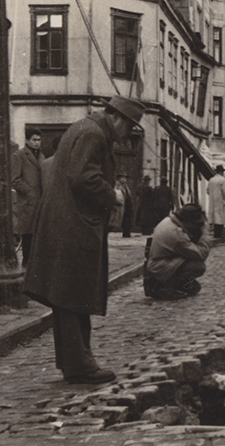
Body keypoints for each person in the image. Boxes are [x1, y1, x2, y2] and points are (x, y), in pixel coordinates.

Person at [23, 95, 146, 385]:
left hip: (66, 222)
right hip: (74, 226)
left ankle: (75, 361)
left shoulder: (85, 128)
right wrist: (112, 195)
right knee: (72, 294)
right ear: (117, 118)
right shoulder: (93, 134)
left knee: (68, 295)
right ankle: (80, 365)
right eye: (128, 128)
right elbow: (83, 178)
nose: (126, 136)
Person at [144, 203, 211, 301]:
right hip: (160, 268)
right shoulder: (178, 236)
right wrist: (205, 233)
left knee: (194, 287)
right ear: (188, 223)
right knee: (198, 267)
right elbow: (201, 254)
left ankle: (172, 285)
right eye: (196, 224)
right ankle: (168, 287)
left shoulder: (168, 221)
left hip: (157, 263)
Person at [11, 128, 44, 267]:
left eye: (39, 140)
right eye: (34, 140)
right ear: (27, 140)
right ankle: (26, 261)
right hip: (26, 201)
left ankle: (36, 262)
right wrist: (28, 191)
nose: (37, 143)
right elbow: (14, 179)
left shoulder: (42, 156)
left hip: (40, 201)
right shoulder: (18, 156)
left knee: (39, 232)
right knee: (27, 234)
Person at [207, 165, 225, 239]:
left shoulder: (211, 180)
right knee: (221, 218)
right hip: (221, 202)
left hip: (213, 202)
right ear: (221, 172)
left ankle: (216, 234)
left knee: (215, 218)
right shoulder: (222, 180)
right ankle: (219, 235)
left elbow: (207, 191)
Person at [117, 172, 133, 238]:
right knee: (123, 218)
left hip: (127, 204)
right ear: (119, 179)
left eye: (125, 178)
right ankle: (125, 232)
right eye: (123, 178)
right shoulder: (118, 185)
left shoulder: (126, 186)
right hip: (122, 204)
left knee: (127, 218)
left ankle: (126, 232)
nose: (124, 179)